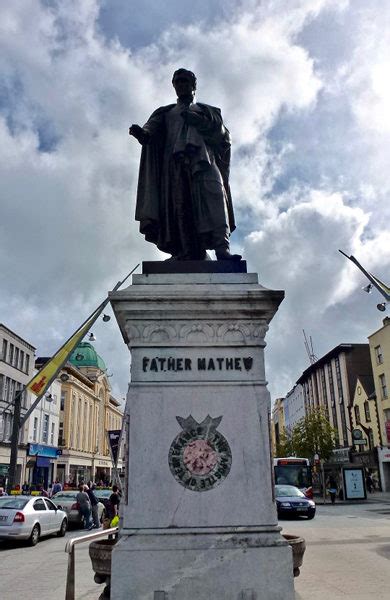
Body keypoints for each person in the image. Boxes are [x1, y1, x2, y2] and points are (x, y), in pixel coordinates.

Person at [129, 68, 241, 262]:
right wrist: (142, 134)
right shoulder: (166, 113)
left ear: (194, 85)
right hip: (175, 166)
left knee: (215, 200)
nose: (181, 85)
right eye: (177, 82)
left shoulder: (208, 112)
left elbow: (224, 137)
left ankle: (222, 249)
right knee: (180, 208)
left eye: (185, 81)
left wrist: (201, 122)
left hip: (205, 161)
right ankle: (185, 251)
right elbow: (150, 130)